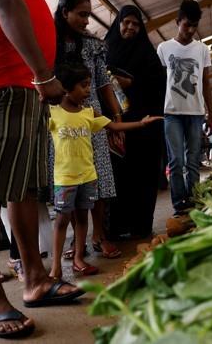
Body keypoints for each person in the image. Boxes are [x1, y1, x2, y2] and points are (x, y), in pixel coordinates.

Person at [0, 0, 83, 338]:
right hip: (0, 81)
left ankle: (35, 279)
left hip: (22, 85)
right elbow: (5, 2)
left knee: (24, 189)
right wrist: (43, 74)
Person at [49, 63, 162, 279]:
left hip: (88, 177)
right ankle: (55, 266)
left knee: (83, 219)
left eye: (89, 85)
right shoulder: (53, 113)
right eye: (83, 86)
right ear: (66, 88)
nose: (88, 91)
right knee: (62, 220)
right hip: (64, 179)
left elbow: (114, 127)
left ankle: (79, 259)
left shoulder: (89, 112)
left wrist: (141, 123)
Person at [54, 0, 121, 258]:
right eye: (81, 14)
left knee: (100, 177)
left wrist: (115, 118)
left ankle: (98, 236)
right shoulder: (50, 42)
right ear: (64, 12)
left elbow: (104, 84)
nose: (86, 20)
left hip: (91, 118)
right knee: (70, 183)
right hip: (62, 122)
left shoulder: (93, 45)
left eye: (88, 15)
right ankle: (76, 243)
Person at [105, 5, 166, 239]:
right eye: (126, 22)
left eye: (135, 24)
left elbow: (159, 87)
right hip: (115, 126)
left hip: (144, 127)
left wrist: (132, 84)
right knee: (118, 177)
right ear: (118, 22)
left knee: (143, 176)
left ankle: (141, 226)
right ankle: (116, 228)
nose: (130, 27)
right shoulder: (106, 49)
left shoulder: (148, 55)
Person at [157, 0, 212, 216]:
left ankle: (193, 199)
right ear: (177, 22)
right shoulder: (163, 48)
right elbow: (159, 82)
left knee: (192, 160)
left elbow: (206, 83)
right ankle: (179, 204)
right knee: (176, 160)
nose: (190, 30)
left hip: (196, 113)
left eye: (194, 26)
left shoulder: (202, 49)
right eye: (186, 25)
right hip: (171, 113)